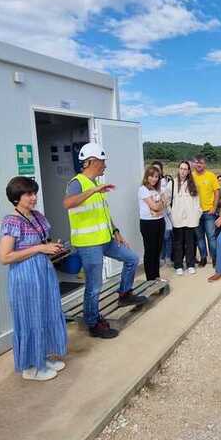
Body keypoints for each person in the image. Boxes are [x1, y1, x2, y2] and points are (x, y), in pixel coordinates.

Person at [64, 143, 145, 339]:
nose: (105, 165)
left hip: (105, 239)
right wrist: (94, 191)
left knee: (132, 258)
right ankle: (93, 322)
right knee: (94, 285)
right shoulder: (78, 183)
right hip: (88, 243)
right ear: (91, 161)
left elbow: (102, 214)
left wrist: (115, 230)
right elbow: (67, 203)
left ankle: (125, 294)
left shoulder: (94, 185)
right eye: (103, 161)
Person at [0, 177, 70, 381]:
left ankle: (42, 357)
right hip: (25, 275)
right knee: (30, 317)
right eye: (28, 194)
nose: (34, 197)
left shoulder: (37, 216)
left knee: (45, 313)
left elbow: (42, 243)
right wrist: (40, 248)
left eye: (34, 193)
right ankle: (31, 367)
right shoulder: (12, 221)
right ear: (16, 198)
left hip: (43, 272)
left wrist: (52, 248)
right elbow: (4, 257)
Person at [171, 160, 202, 275]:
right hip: (177, 218)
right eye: (181, 169)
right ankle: (178, 265)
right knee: (178, 242)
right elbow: (167, 199)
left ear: (189, 171)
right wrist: (172, 213)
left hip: (190, 219)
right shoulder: (172, 183)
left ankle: (190, 264)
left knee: (190, 242)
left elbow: (197, 202)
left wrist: (197, 215)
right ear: (178, 170)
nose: (183, 171)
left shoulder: (193, 185)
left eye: (185, 169)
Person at [191, 155, 221, 268]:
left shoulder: (211, 176)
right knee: (199, 237)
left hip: (209, 211)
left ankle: (214, 258)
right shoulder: (191, 176)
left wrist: (214, 207)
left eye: (201, 162)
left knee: (211, 237)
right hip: (196, 212)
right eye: (197, 162)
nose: (199, 165)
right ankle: (203, 258)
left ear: (205, 164)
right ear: (194, 164)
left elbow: (217, 192)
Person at [138, 165, 167, 281]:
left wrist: (159, 207)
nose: (154, 179)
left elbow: (163, 204)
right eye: (151, 176)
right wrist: (159, 206)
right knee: (150, 251)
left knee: (157, 251)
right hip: (148, 224)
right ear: (147, 177)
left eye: (156, 177)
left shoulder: (155, 190)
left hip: (159, 221)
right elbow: (155, 206)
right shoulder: (143, 189)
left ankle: (156, 277)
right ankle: (150, 279)